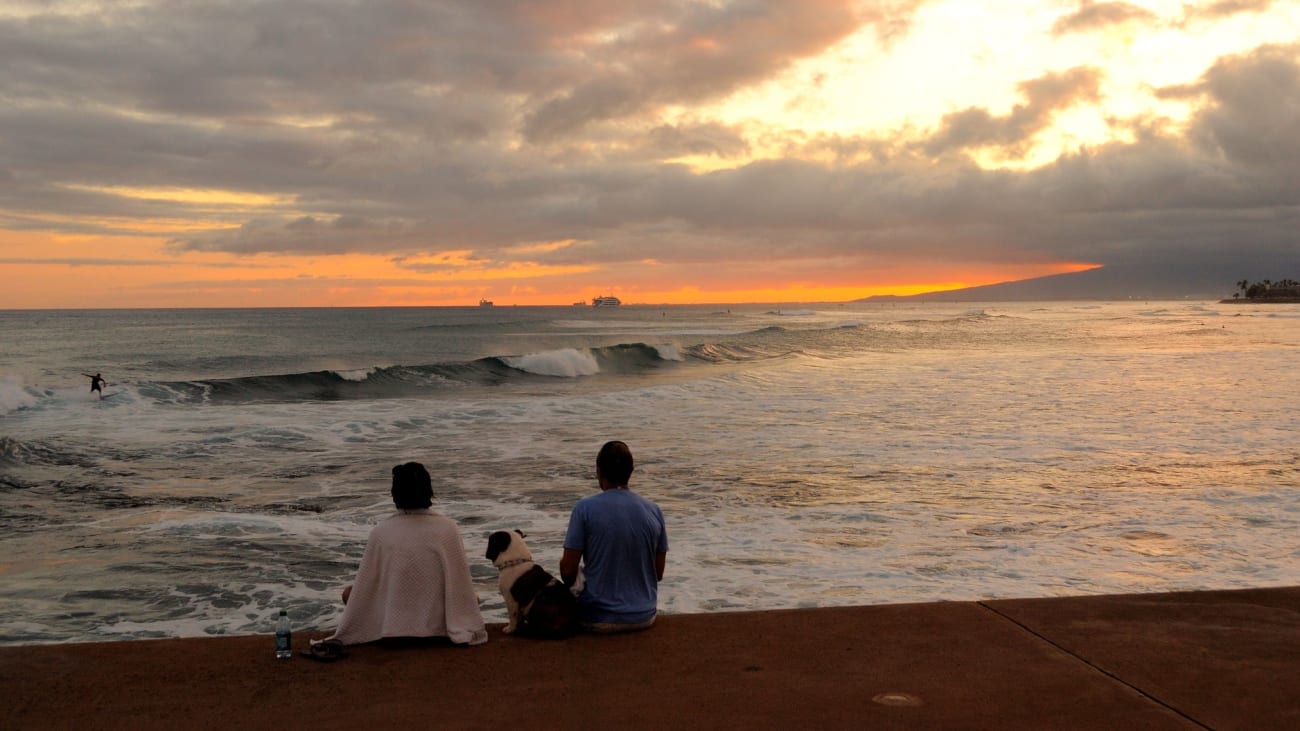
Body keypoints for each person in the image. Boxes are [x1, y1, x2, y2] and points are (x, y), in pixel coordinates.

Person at [326, 462, 487, 646]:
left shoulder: (381, 531)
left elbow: (367, 588)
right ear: (429, 491)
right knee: (472, 597)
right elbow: (459, 584)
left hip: (391, 631)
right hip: (439, 632)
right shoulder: (448, 529)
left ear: (395, 494)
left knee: (349, 593)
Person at [560, 441, 668, 633]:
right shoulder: (654, 510)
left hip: (597, 618)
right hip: (644, 615)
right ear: (631, 471)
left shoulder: (584, 508)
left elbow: (568, 571)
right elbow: (658, 573)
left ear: (599, 472)